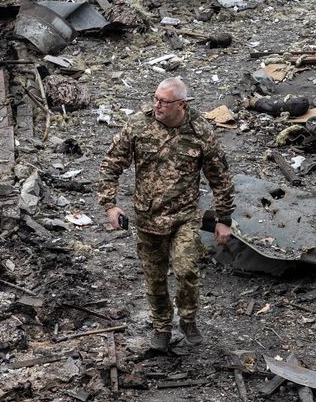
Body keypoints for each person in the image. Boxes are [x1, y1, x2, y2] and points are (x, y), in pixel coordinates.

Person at [96, 75, 235, 352]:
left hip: (184, 217)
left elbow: (220, 178)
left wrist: (224, 219)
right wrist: (110, 205)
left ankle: (188, 319)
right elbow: (111, 164)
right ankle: (161, 326)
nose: (157, 105)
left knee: (186, 271)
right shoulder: (138, 126)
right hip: (148, 219)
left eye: (164, 101)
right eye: (155, 99)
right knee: (155, 276)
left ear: (181, 105)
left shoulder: (200, 132)